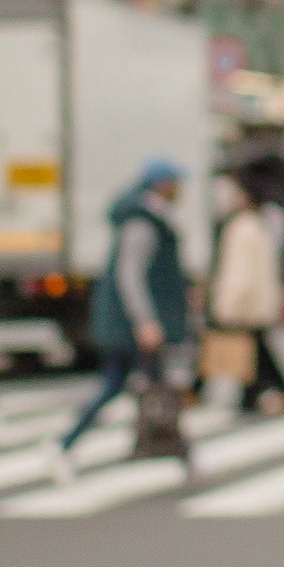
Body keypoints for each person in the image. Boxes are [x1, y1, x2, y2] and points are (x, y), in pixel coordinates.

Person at [54, 160, 194, 477]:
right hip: (130, 324)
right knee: (123, 385)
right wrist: (145, 321)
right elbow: (130, 274)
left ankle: (177, 452)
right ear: (162, 184)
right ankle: (65, 442)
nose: (180, 190)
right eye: (176, 183)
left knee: (140, 384)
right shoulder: (142, 222)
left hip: (128, 323)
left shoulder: (148, 216)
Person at [207, 175, 284, 416]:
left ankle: (277, 391)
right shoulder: (258, 224)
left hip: (245, 302)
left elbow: (239, 271)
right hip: (257, 301)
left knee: (255, 350)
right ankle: (258, 394)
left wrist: (227, 302)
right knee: (256, 350)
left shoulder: (241, 227)